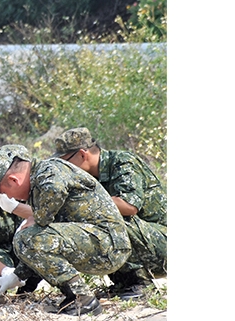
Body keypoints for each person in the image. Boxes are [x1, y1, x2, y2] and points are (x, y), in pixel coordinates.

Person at [0, 144, 131, 316]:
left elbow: (54, 191)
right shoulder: (41, 177)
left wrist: (36, 218)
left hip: (108, 243)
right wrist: (16, 276)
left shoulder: (50, 172)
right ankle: (74, 295)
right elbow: (42, 244)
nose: (8, 197)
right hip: (98, 242)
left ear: (14, 180)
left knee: (27, 237)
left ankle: (83, 299)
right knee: (28, 237)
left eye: (3, 191)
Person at [55, 127, 167, 300]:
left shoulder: (123, 162)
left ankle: (141, 285)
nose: (64, 170)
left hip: (162, 243)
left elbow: (129, 206)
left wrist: (82, 200)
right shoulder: (86, 177)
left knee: (110, 219)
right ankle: (124, 283)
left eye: (66, 163)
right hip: (145, 242)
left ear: (83, 155)